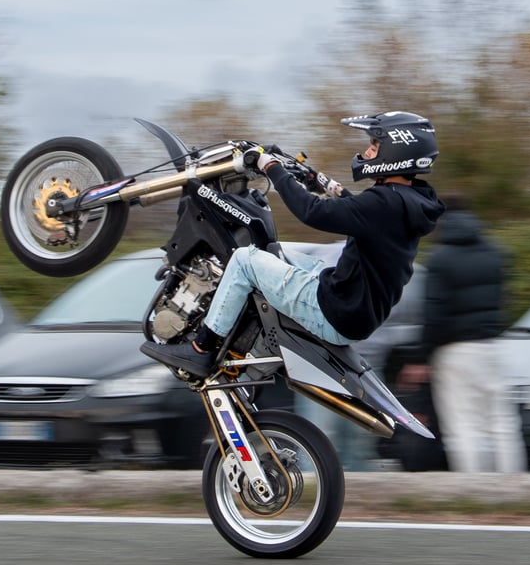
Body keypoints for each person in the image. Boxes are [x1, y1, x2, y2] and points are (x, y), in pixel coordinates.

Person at [142, 111, 445, 379]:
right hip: (355, 307)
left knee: (245, 260)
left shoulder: (383, 203)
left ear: (397, 151)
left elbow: (311, 212)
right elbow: (360, 214)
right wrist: (325, 184)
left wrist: (271, 166)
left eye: (374, 146)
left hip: (337, 311)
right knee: (273, 253)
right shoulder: (409, 200)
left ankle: (201, 348)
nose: (367, 152)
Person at [419, 193, 527, 473]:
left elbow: (434, 315)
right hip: (493, 346)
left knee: (463, 426)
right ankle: (515, 488)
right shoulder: (495, 252)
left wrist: (423, 356)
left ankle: (473, 491)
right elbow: (503, 300)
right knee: (503, 423)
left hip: (454, 353)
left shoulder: (440, 258)